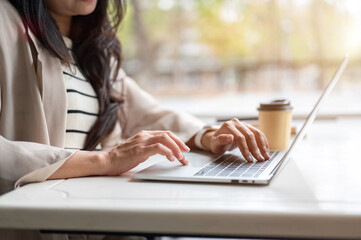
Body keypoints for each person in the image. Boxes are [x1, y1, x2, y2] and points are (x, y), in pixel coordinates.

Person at [0, 0, 270, 239]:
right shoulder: (5, 23)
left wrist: (209, 136)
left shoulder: (96, 52)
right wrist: (105, 160)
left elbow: (148, 114)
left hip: (102, 219)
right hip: (43, 224)